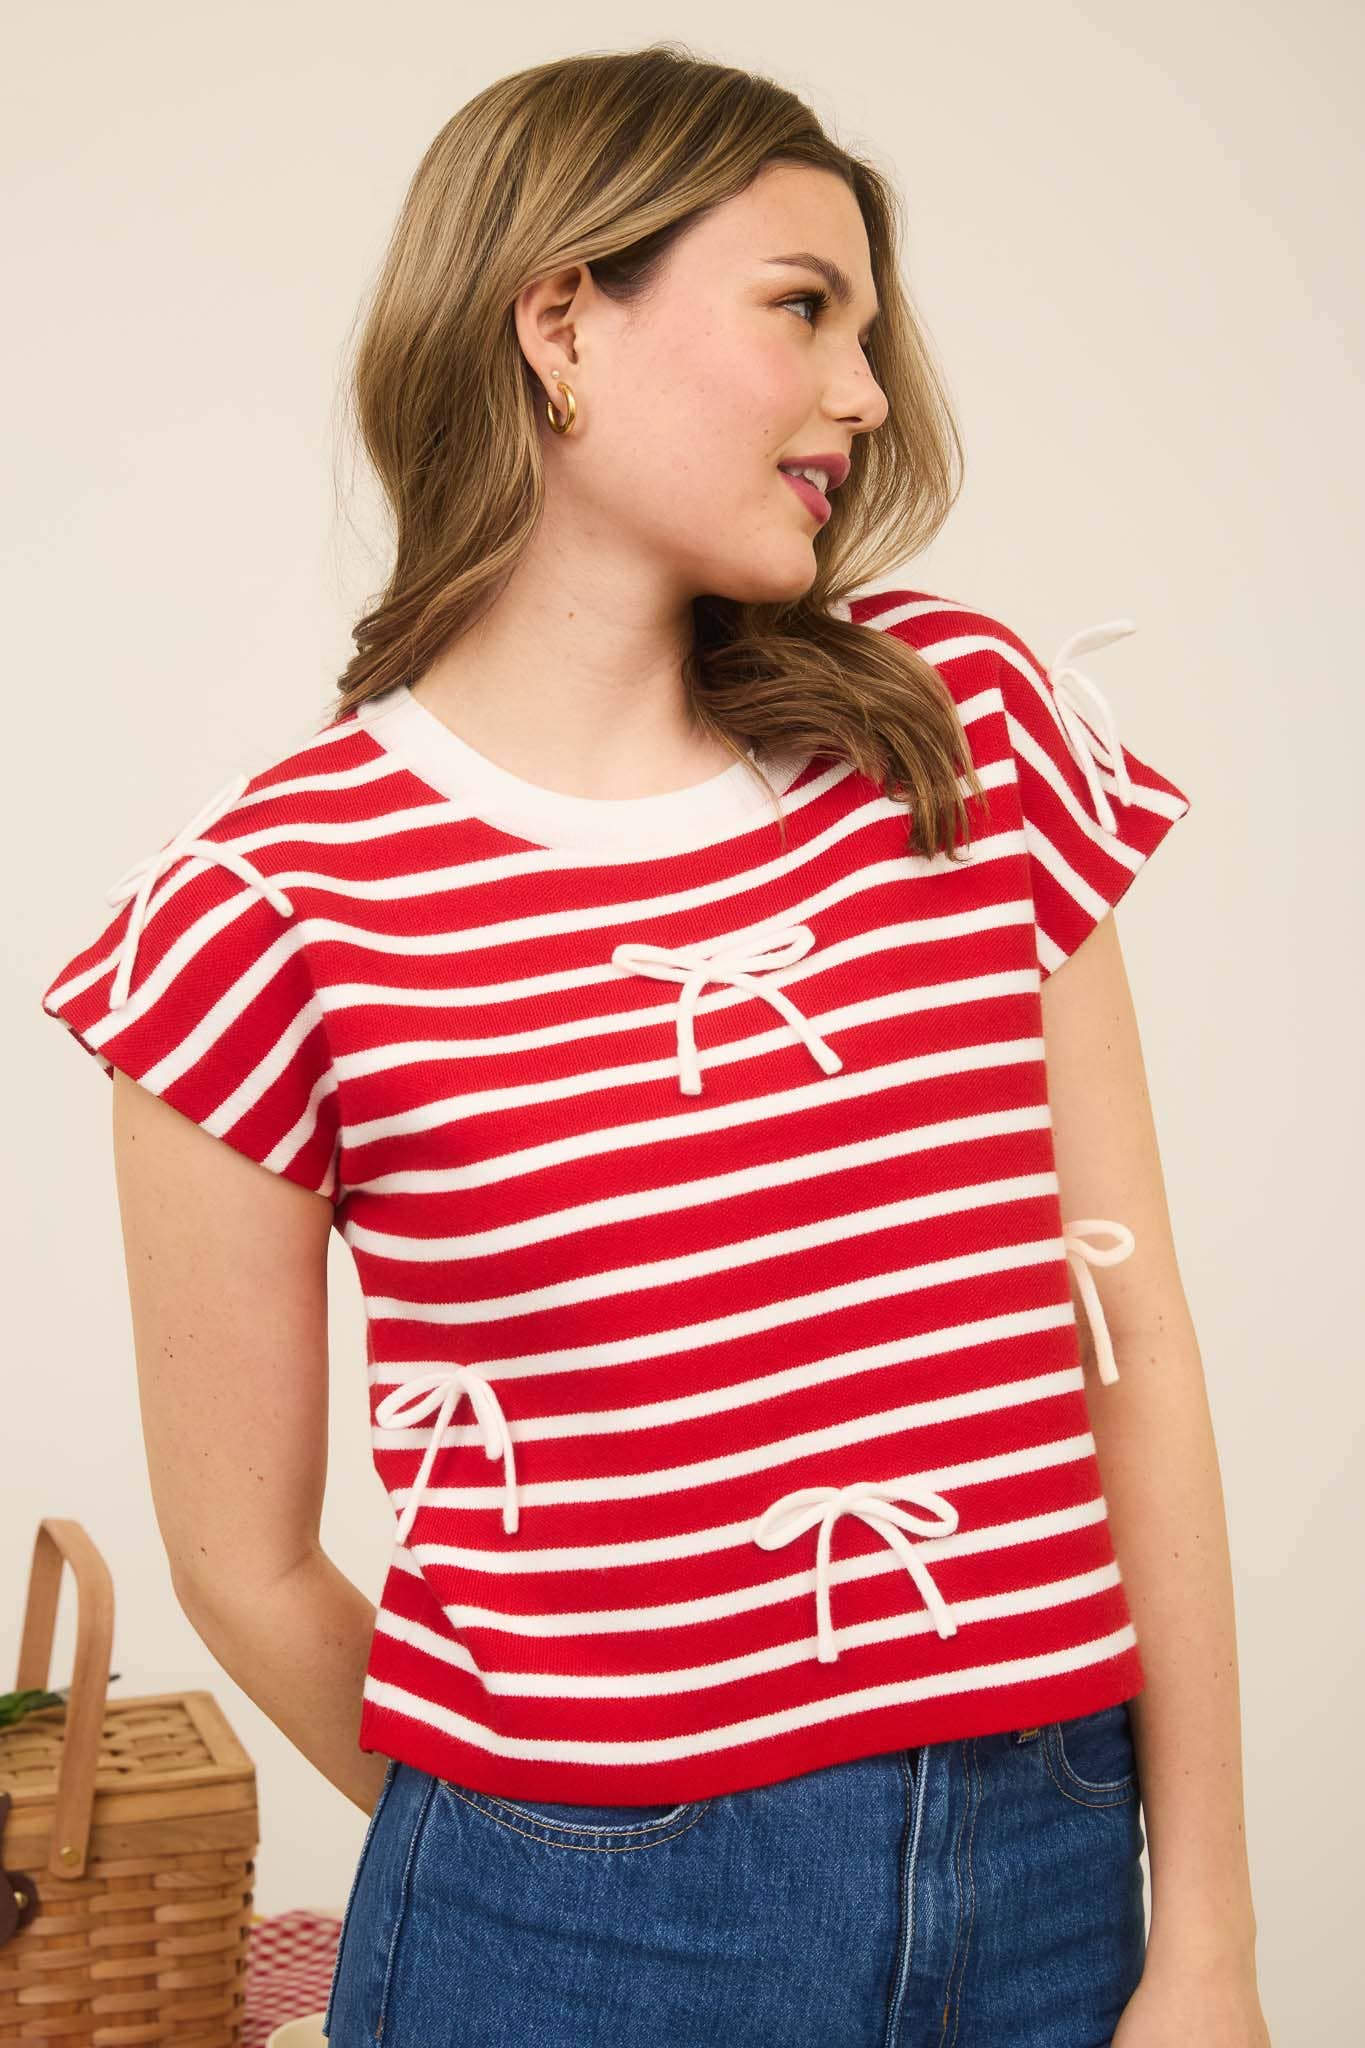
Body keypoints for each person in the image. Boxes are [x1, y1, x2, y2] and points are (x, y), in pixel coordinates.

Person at [38, 41, 1271, 2048]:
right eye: (802, 306)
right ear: (559, 323)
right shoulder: (262, 907)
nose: (863, 393)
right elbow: (240, 1562)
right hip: (569, 1939)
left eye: (868, 331)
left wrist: (1204, 1938)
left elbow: (1129, 1342)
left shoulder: (954, 734)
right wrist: (554, 1856)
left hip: (1053, 1878)